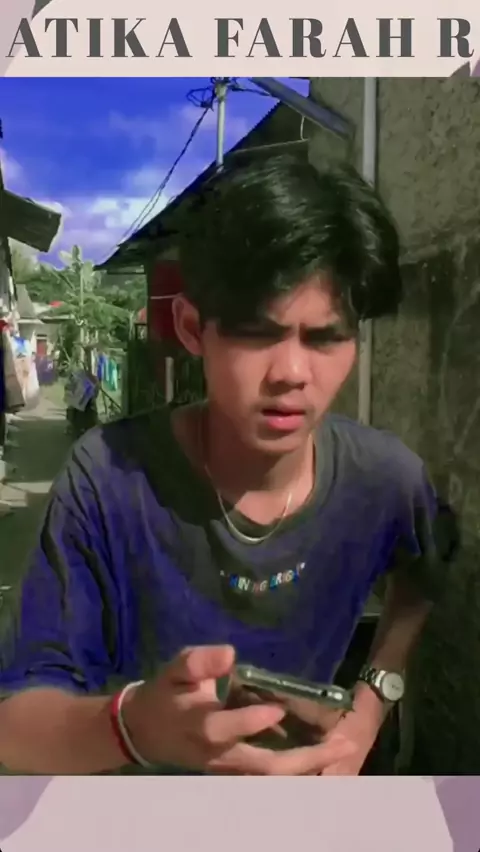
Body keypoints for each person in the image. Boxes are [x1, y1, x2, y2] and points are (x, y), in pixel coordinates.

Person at [0, 155, 444, 776]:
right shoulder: (108, 479)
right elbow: (16, 727)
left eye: (324, 338)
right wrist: (132, 727)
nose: (292, 373)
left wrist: (371, 703)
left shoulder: (386, 481)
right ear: (191, 328)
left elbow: (424, 574)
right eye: (256, 334)